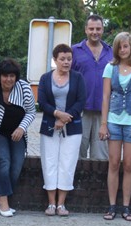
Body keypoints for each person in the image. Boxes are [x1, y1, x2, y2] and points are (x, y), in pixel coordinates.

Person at [99, 32, 131, 222]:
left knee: (128, 164)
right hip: (113, 119)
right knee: (113, 163)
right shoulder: (109, 67)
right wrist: (103, 124)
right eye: (119, 47)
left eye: (126, 46)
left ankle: (126, 207)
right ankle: (112, 205)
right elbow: (105, 96)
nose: (123, 50)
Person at [0, 58, 37, 217]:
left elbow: (31, 112)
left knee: (17, 164)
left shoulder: (24, 88)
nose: (9, 79)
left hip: (17, 133)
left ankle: (0, 197)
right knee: (3, 160)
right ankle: (4, 202)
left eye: (12, 76)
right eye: (5, 76)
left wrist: (21, 128)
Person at [38, 44, 86, 216]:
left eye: (69, 59)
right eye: (62, 59)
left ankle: (61, 204)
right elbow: (42, 102)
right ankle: (51, 203)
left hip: (72, 127)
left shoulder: (78, 78)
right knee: (49, 163)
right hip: (49, 126)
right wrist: (57, 114)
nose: (66, 62)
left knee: (67, 164)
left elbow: (81, 101)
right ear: (55, 60)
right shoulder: (45, 78)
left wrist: (66, 118)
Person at [72, 14, 113, 160]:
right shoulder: (74, 51)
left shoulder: (111, 52)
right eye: (91, 29)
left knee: (101, 156)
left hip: (104, 112)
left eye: (98, 29)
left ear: (103, 30)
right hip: (80, 110)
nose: (94, 32)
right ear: (85, 30)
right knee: (77, 153)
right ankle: (77, 183)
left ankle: (98, 183)